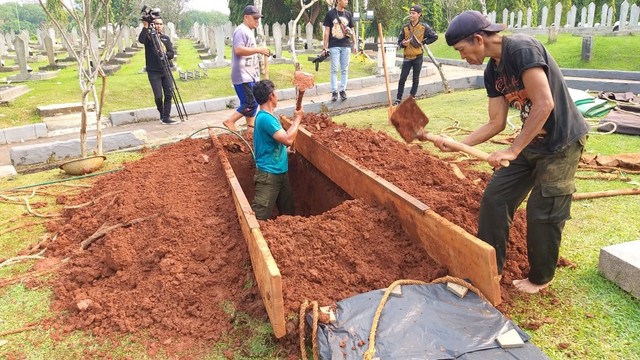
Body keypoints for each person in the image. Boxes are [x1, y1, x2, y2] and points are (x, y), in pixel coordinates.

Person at [438, 11, 589, 293]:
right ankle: (488, 270)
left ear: (479, 39)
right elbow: (496, 121)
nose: (462, 57)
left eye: (461, 50)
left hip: (561, 142)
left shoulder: (521, 49)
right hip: (531, 143)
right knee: (495, 199)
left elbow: (544, 104)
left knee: (543, 210)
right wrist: (461, 143)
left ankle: (541, 278)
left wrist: (513, 148)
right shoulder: (492, 71)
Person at [251, 79, 303, 220]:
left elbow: (270, 144)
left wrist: (284, 152)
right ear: (271, 96)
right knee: (259, 217)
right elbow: (287, 139)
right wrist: (297, 119)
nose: (277, 96)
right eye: (276, 93)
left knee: (288, 213)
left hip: (280, 172)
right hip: (268, 175)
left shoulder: (268, 118)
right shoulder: (265, 119)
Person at [222, 5, 271, 132]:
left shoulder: (248, 31)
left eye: (258, 18)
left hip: (250, 74)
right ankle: (230, 121)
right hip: (243, 75)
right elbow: (238, 50)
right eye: (255, 18)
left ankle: (251, 130)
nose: (257, 21)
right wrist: (258, 50)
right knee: (251, 104)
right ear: (246, 17)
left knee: (250, 104)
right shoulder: (241, 31)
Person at [394, 4, 438, 105]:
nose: (411, 15)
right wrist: (402, 44)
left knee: (415, 78)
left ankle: (412, 97)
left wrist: (423, 42)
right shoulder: (405, 27)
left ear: (419, 14)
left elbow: (434, 36)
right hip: (407, 57)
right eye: (410, 13)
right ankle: (398, 99)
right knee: (402, 79)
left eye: (413, 13)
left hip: (418, 56)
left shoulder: (424, 27)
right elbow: (399, 42)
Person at [138, 17, 179, 125]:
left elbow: (171, 53)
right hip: (153, 72)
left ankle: (166, 117)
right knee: (158, 96)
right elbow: (141, 40)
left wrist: (165, 55)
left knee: (169, 93)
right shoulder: (149, 37)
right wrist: (146, 26)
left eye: (160, 24)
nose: (158, 26)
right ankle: (161, 113)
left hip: (165, 69)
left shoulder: (165, 38)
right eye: (156, 24)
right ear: (153, 25)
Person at [322, 0, 356, 102]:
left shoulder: (348, 14)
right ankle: (334, 91)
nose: (346, 1)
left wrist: (354, 44)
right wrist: (325, 47)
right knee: (334, 69)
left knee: (345, 69)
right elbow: (327, 32)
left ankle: (342, 90)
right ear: (338, 1)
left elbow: (352, 30)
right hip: (334, 45)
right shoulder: (330, 14)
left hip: (346, 45)